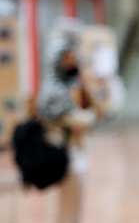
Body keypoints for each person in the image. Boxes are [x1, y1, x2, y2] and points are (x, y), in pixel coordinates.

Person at [37, 31, 100, 223]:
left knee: (74, 204)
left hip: (75, 151)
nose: (72, 62)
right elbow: (76, 119)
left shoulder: (70, 85)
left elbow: (95, 109)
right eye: (67, 58)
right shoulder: (53, 90)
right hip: (61, 153)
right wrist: (87, 117)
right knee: (67, 208)